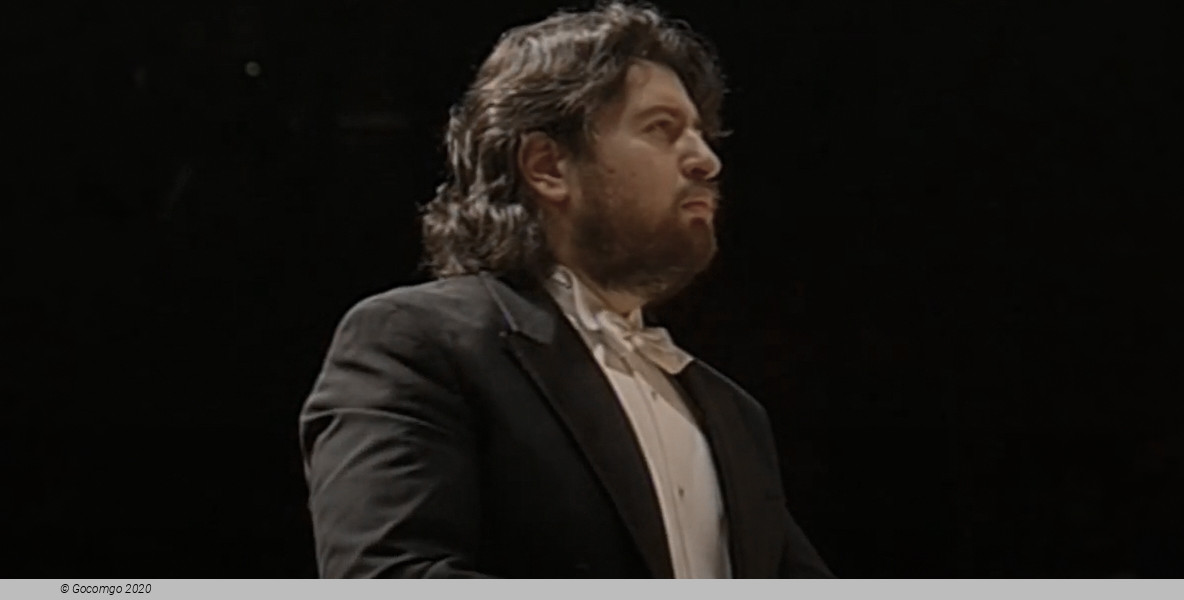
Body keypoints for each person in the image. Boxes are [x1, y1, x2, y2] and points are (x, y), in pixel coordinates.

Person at [298, 1, 832, 578]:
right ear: (548, 166)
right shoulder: (417, 344)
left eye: (702, 135)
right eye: (662, 128)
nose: (706, 161)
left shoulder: (733, 414)